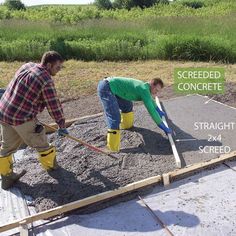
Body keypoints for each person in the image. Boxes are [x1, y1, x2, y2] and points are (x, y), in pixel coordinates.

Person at [0, 51, 68, 190]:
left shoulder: (27, 66)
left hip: (4, 112)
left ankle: (6, 178)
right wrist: (61, 125)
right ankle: (54, 170)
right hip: (21, 117)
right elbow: (53, 105)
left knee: (6, 147)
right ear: (48, 65)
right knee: (41, 142)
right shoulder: (46, 79)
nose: (59, 70)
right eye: (57, 67)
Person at [97, 77, 172, 152]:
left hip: (114, 86)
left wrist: (158, 110)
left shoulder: (145, 87)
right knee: (115, 117)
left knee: (127, 105)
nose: (156, 93)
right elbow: (152, 111)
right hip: (107, 88)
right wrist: (163, 126)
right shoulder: (144, 89)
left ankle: (127, 126)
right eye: (156, 90)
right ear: (152, 84)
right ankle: (112, 148)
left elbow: (150, 100)